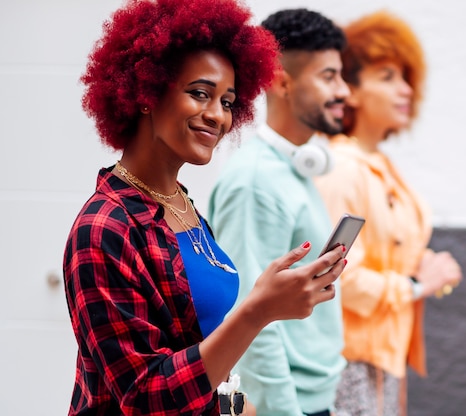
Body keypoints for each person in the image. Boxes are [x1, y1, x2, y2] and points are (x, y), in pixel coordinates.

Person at [62, 1, 347, 415]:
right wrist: (257, 312)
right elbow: (145, 398)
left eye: (228, 102)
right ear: (147, 91)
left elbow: (197, 344)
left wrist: (237, 402)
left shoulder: (181, 205)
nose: (217, 115)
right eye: (200, 93)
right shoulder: (104, 228)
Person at [314, 11, 464, 416]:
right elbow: (338, 276)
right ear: (352, 90)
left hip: (380, 359)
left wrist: (419, 264)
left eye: (405, 77)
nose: (405, 90)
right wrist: (416, 283)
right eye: (387, 76)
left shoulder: (376, 164)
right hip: (349, 363)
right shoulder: (344, 167)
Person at [207, 8, 350, 416]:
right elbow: (249, 314)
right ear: (282, 82)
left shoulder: (292, 170)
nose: (344, 91)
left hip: (313, 400)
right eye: (328, 76)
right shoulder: (255, 181)